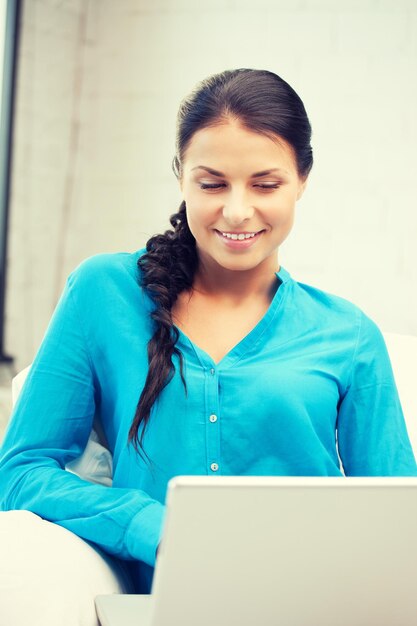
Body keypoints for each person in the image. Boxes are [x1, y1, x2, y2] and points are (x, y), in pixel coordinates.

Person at [0, 68, 416, 622]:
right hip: (159, 608)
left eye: (266, 185)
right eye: (212, 183)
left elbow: (397, 518)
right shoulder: (103, 292)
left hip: (313, 608)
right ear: (180, 177)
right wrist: (147, 523)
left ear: (303, 180)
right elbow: (22, 469)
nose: (238, 211)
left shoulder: (350, 334)